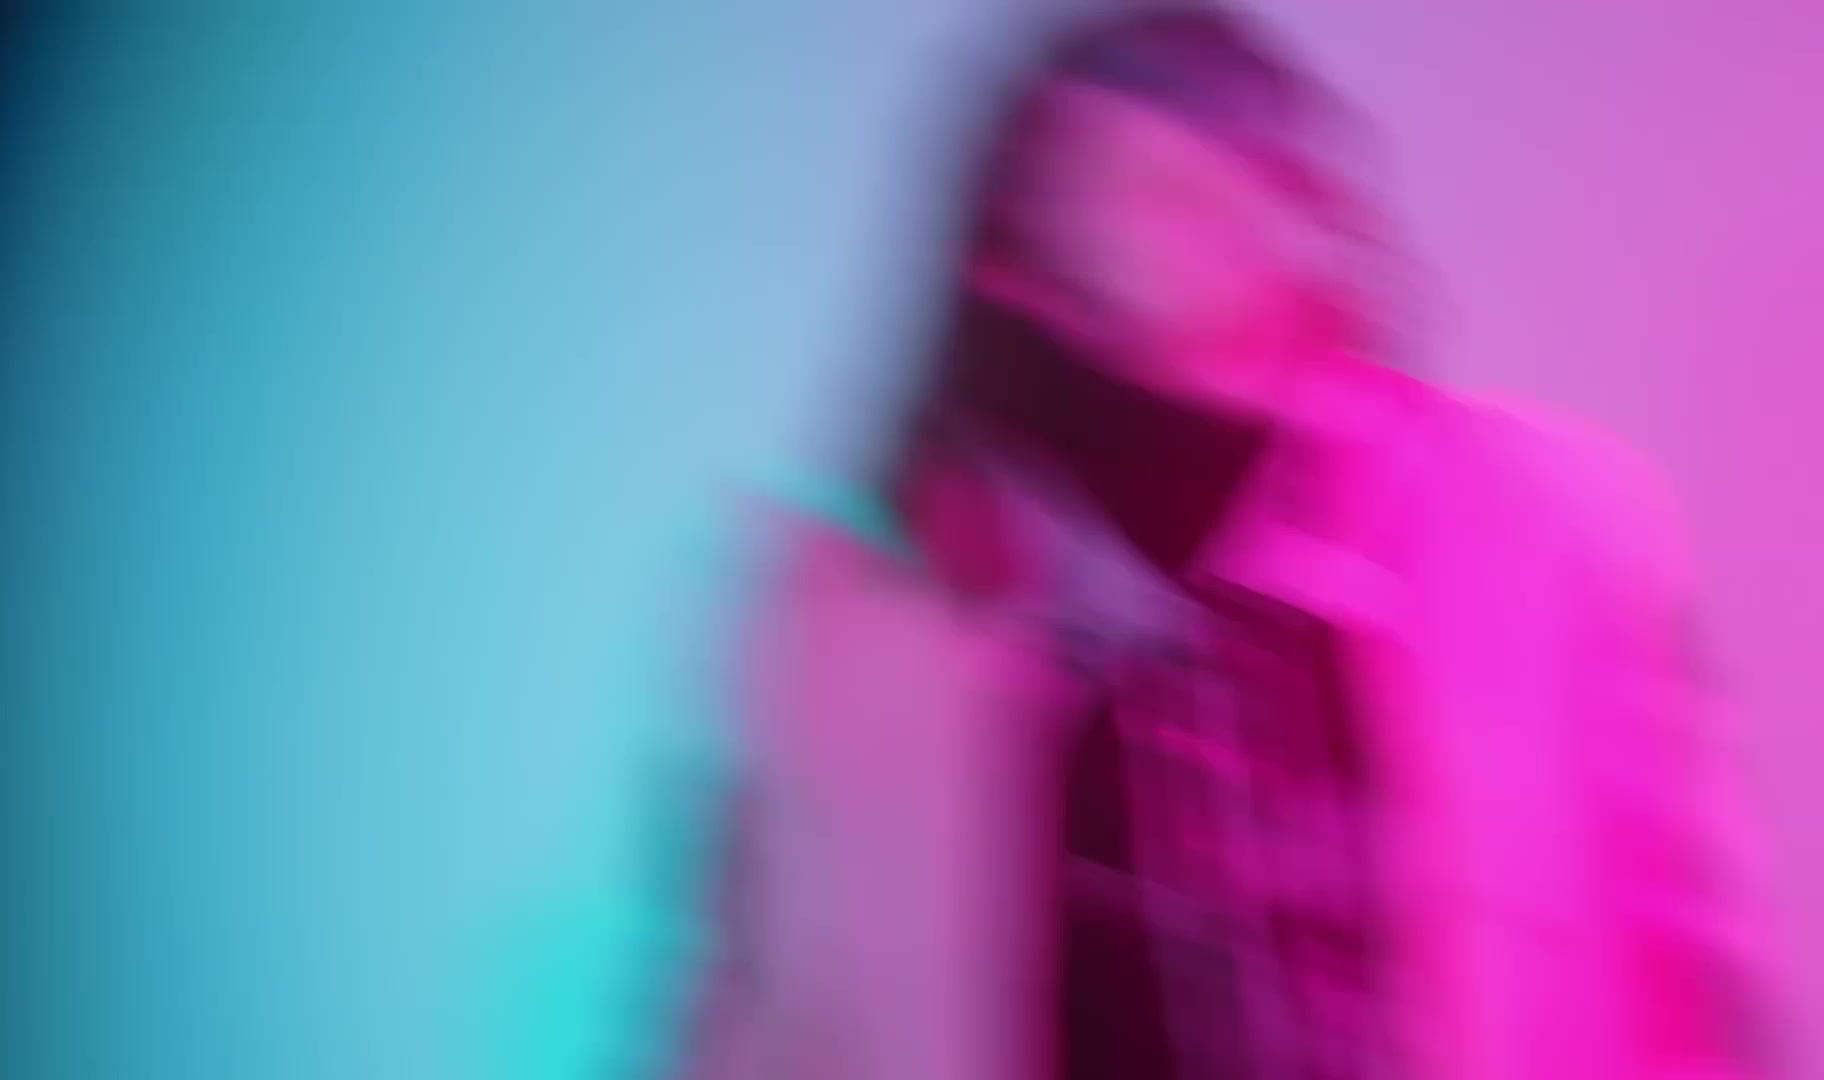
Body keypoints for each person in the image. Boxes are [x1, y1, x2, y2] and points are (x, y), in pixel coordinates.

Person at [679, 5, 1775, 1079]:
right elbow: (756, 1020)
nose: (1192, 147)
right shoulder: (856, 620)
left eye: (1235, 131)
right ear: (1010, 263)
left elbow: (1691, 995)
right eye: (1130, 167)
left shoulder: (1544, 536)